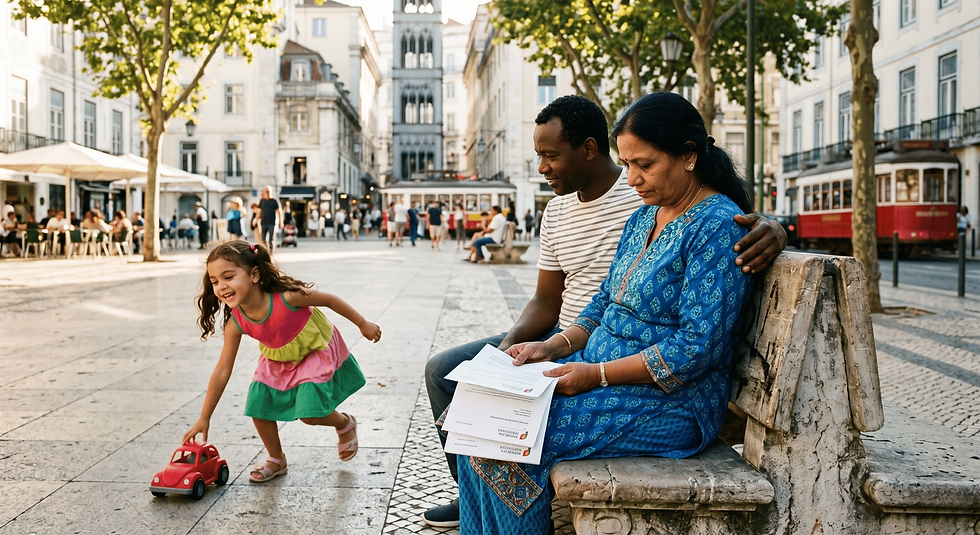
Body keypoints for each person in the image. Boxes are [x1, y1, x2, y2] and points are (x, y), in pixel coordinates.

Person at [420, 94, 785, 528]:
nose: (632, 179)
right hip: (594, 370)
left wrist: (595, 375)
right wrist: (552, 345)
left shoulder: (716, 226)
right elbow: (601, 303)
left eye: (644, 165)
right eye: (628, 164)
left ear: (688, 156)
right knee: (478, 419)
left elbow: (697, 347)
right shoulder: (645, 217)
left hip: (671, 402)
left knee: (504, 439)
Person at [182, 241, 382, 482]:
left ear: (254, 274)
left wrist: (362, 323)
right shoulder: (236, 322)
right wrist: (205, 416)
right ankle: (276, 459)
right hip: (278, 357)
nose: (221, 286)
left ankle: (344, 423)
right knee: (259, 404)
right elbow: (223, 369)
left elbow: (329, 299)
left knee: (310, 414)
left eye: (229, 276)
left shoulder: (288, 297)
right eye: (215, 281)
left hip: (312, 350)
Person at [258, 186, 283, 253]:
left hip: (271, 222)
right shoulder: (262, 201)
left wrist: (281, 221)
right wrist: (256, 219)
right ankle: (266, 251)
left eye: (268, 191)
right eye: (265, 191)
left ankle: (271, 252)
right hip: (263, 222)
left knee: (270, 239)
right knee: (263, 239)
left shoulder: (274, 201)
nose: (266, 193)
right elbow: (259, 211)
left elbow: (279, 211)